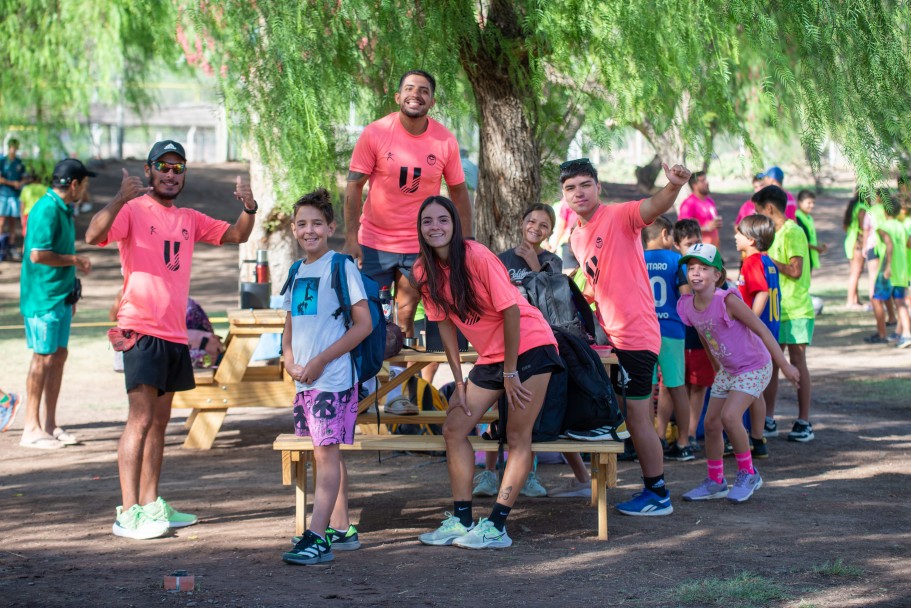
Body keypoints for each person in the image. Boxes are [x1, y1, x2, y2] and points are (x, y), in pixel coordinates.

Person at [86, 140, 256, 540]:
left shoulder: (189, 218)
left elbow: (237, 236)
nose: (170, 173)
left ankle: (150, 504)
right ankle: (127, 513)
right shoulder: (131, 210)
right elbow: (95, 234)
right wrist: (116, 198)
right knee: (140, 419)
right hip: (140, 329)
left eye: (178, 168)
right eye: (163, 166)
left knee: (160, 423)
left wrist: (248, 208)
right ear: (148, 170)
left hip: (174, 333)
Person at [413, 196, 563, 549]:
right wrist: (460, 380)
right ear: (419, 228)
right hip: (493, 356)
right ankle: (462, 519)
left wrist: (510, 372)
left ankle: (496, 526)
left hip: (530, 346)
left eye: (443, 220)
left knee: (516, 437)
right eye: (427, 221)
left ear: (455, 224)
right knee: (454, 428)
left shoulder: (477, 255)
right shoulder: (423, 270)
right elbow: (444, 326)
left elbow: (511, 311)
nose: (435, 227)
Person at [562, 157, 692, 516]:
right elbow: (592, 284)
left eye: (585, 185)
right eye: (571, 188)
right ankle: (632, 486)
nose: (578, 193)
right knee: (622, 414)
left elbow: (654, 206)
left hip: (636, 335)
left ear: (598, 187)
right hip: (610, 339)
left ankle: (658, 494)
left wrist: (674, 185)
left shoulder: (619, 215)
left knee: (637, 417)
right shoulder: (576, 236)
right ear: (564, 195)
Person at [280, 189, 372, 565]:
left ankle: (317, 536)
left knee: (326, 453)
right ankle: (341, 527)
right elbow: (290, 325)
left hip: (331, 379)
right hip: (306, 379)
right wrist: (289, 358)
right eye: (302, 224)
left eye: (317, 223)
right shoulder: (297, 270)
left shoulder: (341, 266)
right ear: (293, 229)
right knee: (326, 451)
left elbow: (363, 325)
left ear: (331, 227)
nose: (309, 230)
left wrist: (320, 361)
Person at [345, 70, 471, 338]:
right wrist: (350, 237)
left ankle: (399, 381)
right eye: (410, 88)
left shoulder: (444, 140)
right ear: (398, 96)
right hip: (373, 244)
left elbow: (459, 193)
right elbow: (354, 186)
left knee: (403, 318)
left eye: (424, 90)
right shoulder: (375, 133)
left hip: (418, 246)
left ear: (432, 102)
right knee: (369, 320)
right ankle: (368, 381)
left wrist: (466, 240)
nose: (416, 94)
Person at [677, 243, 799, 503]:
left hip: (755, 365)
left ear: (717, 275)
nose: (696, 273)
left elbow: (762, 330)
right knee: (711, 424)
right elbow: (705, 335)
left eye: (703, 268)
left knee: (731, 417)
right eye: (691, 268)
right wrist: (716, 368)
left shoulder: (728, 300)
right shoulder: (687, 305)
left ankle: (748, 473)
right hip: (729, 370)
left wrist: (785, 365)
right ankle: (715, 481)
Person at [487, 202, 592, 499]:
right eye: (531, 221)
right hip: (505, 342)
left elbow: (553, 303)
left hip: (541, 343)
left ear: (550, 231)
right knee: (499, 403)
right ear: (522, 222)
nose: (536, 227)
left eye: (543, 225)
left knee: (547, 410)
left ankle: (564, 476)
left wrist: (534, 265)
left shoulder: (552, 261)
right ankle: (490, 474)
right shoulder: (501, 259)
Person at [19, 159, 94, 450]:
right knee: (43, 358)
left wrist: (70, 290)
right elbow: (38, 254)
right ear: (73, 184)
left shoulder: (63, 209)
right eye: (84, 183)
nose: (85, 189)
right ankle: (31, 427)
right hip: (42, 297)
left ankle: (49, 424)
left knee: (59, 355)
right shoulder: (46, 208)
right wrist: (74, 260)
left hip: (60, 296)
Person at [752, 185, 816, 442]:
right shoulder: (771, 233)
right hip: (775, 310)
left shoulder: (793, 232)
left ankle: (804, 421)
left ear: (769, 208)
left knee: (797, 362)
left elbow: (795, 270)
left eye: (759, 211)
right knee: (772, 365)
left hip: (797, 309)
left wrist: (767, 261)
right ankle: (768, 418)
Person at [642, 215, 693, 461]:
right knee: (676, 386)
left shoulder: (636, 259)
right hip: (671, 331)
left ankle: (649, 441)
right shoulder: (677, 259)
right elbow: (686, 294)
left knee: (644, 389)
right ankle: (684, 442)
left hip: (643, 332)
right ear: (664, 234)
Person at [734, 215, 782, 459]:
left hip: (756, 333)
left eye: (739, 233)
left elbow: (761, 292)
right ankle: (757, 438)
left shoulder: (752, 261)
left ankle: (748, 438)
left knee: (750, 388)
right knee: (757, 388)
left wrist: (749, 322)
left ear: (751, 240)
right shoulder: (768, 261)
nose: (735, 236)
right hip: (770, 329)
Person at [674, 219, 713, 453]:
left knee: (698, 387)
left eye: (697, 241)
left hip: (700, 337)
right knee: (678, 386)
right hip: (678, 336)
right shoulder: (676, 266)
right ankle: (677, 434)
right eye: (689, 244)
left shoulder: (708, 267)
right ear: (677, 244)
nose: (694, 247)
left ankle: (690, 433)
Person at [866, 201, 911, 348]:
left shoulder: (883, 227)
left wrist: (888, 267)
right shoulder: (902, 227)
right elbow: (908, 244)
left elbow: (889, 244)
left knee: (876, 300)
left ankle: (882, 334)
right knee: (900, 302)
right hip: (902, 270)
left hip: (889, 270)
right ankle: (906, 334)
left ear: (885, 211)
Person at [677, 171, 721, 246]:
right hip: (699, 250)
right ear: (694, 185)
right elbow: (682, 228)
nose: (707, 182)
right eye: (703, 180)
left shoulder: (710, 201)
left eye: (706, 179)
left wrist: (716, 225)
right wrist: (705, 228)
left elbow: (712, 224)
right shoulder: (689, 203)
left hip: (714, 249)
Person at [0, 138, 27, 260]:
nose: (13, 149)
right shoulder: (2, 161)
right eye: (12, 147)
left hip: (15, 195)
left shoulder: (19, 162)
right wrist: (12, 183)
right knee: (1, 220)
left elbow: (25, 177)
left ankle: (10, 246)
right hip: (4, 194)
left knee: (12, 222)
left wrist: (20, 182)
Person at [842, 190, 869, 309]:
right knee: (856, 272)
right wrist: (864, 244)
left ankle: (855, 299)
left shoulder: (854, 206)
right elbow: (863, 227)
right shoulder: (862, 208)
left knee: (855, 271)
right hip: (857, 243)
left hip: (850, 241)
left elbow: (845, 226)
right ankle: (850, 301)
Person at [795, 190, 828, 272]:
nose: (812, 205)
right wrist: (816, 248)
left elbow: (809, 237)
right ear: (800, 202)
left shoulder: (809, 218)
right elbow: (800, 241)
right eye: (809, 203)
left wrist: (818, 244)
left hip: (809, 256)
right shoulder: (797, 219)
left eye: (813, 202)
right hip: (801, 257)